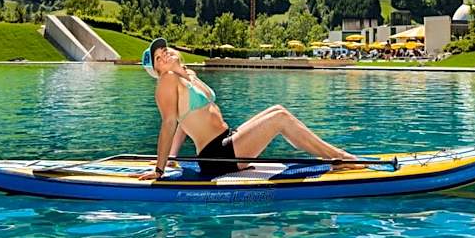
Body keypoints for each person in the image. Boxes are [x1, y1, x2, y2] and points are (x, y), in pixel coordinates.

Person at [138, 38, 357, 180]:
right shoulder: (167, 80)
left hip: (227, 141)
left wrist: (173, 156)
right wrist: (160, 169)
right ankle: (339, 158)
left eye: (163, 50)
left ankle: (332, 156)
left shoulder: (188, 76)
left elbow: (183, 125)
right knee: (279, 118)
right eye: (158, 58)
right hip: (217, 156)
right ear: (157, 70)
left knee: (278, 109)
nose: (164, 55)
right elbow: (169, 123)